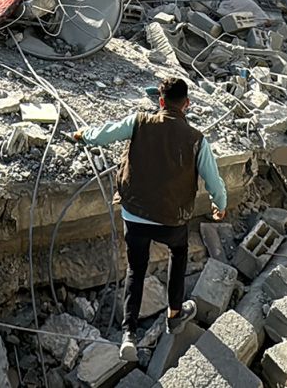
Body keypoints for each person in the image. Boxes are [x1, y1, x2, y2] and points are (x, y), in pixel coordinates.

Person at [74, 76, 227, 362]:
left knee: (136, 269)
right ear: (187, 105)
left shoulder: (140, 122)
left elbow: (105, 134)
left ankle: (128, 334)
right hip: (171, 219)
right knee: (178, 254)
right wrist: (221, 205)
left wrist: (84, 135)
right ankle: (174, 314)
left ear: (160, 102)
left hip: (135, 213)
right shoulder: (196, 139)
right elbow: (214, 182)